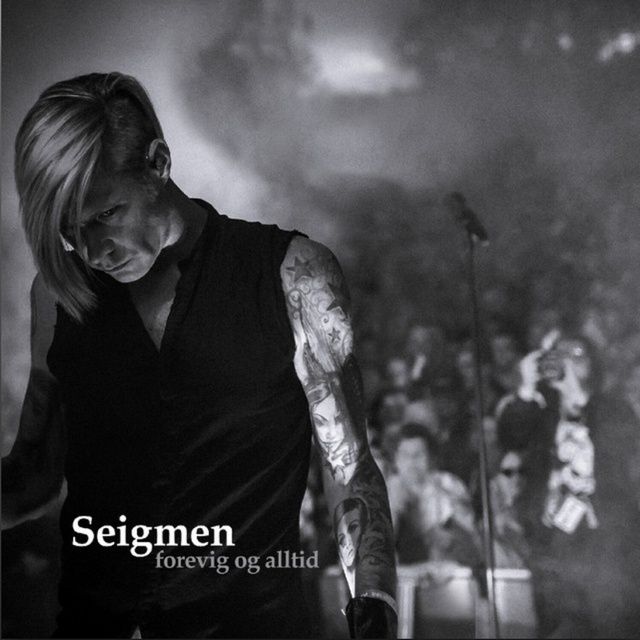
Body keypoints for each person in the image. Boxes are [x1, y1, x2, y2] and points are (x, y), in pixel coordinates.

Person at [1, 72, 397, 639]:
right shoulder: (57, 294)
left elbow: (349, 468)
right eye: (70, 230)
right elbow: (34, 473)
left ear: (159, 163)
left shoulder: (293, 275)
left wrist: (374, 608)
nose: (91, 250)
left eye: (106, 215)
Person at [497, 332, 640, 638]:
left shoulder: (613, 409)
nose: (567, 361)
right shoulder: (541, 413)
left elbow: (619, 448)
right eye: (559, 355)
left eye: (577, 354)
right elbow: (510, 436)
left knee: (612, 627)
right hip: (552, 550)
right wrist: (526, 387)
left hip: (604, 550)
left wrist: (575, 395)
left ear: (593, 364)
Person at [385, 423, 481, 567]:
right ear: (395, 460)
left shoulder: (448, 485)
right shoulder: (385, 489)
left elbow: (471, 546)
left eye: (418, 455)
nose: (412, 461)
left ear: (430, 458)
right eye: (405, 455)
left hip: (447, 573)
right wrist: (394, 508)